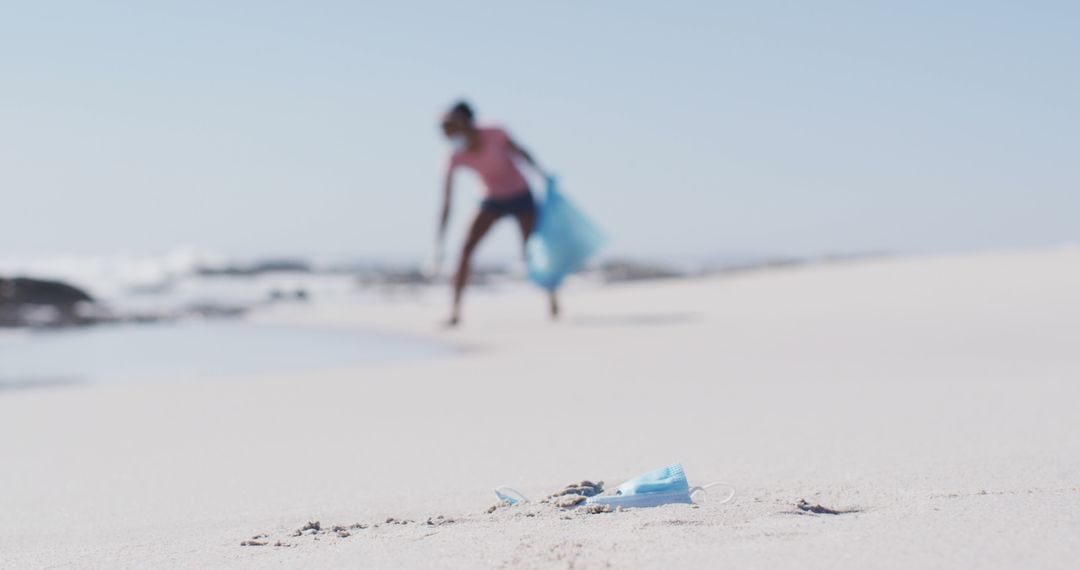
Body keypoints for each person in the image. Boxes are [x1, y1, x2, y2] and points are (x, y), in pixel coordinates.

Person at [437, 100, 557, 326]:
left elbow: (521, 152)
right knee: (465, 249)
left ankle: (551, 298)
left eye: (451, 125)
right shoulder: (455, 155)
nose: (447, 132)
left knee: (533, 251)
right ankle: (455, 313)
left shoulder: (495, 133)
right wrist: (439, 242)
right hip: (491, 199)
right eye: (444, 127)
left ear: (467, 123)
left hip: (520, 195)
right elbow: (446, 201)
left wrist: (543, 175)